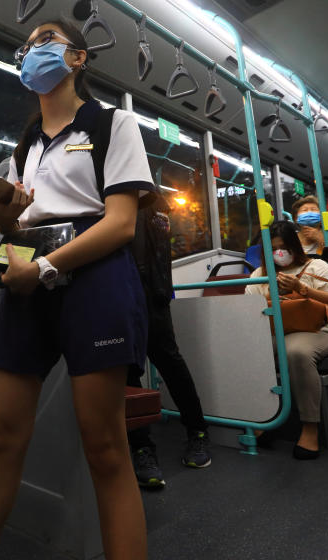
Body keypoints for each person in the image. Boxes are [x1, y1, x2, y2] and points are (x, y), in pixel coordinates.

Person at [0, 18, 152, 560]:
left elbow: (120, 223)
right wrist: (5, 223)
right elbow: (21, 232)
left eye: (45, 42)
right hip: (32, 278)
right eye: (25, 46)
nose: (31, 52)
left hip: (93, 279)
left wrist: (44, 267)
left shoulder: (113, 124)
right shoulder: (25, 149)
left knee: (105, 447)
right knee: (3, 434)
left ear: (78, 58)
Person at [126, 195, 210, 489]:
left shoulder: (150, 201)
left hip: (151, 295)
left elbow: (158, 254)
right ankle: (142, 447)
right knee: (128, 372)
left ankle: (197, 432)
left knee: (170, 363)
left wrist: (159, 294)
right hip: (119, 293)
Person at [245, 221, 328, 460]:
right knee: (246, 348)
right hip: (277, 332)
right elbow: (249, 311)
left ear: (294, 246)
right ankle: (261, 417)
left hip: (322, 331)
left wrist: (303, 289)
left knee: (296, 352)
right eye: (272, 249)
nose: (278, 253)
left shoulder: (317, 266)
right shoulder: (259, 275)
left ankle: (310, 427)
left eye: (283, 247)